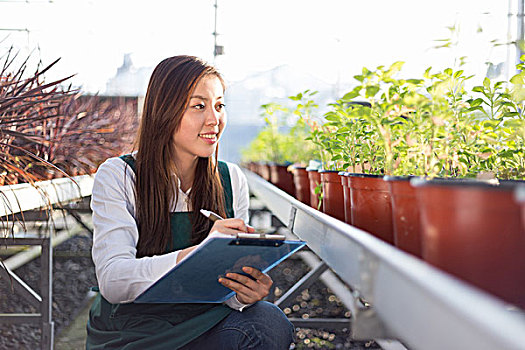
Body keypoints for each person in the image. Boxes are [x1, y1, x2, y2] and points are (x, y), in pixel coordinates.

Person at [86, 55, 295, 349]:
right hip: (133, 330)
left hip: (202, 323)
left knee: (268, 322)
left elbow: (228, 293)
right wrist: (197, 255)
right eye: (199, 106)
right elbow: (113, 281)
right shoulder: (120, 175)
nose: (214, 119)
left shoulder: (230, 180)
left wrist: (242, 293)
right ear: (164, 111)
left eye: (219, 105)